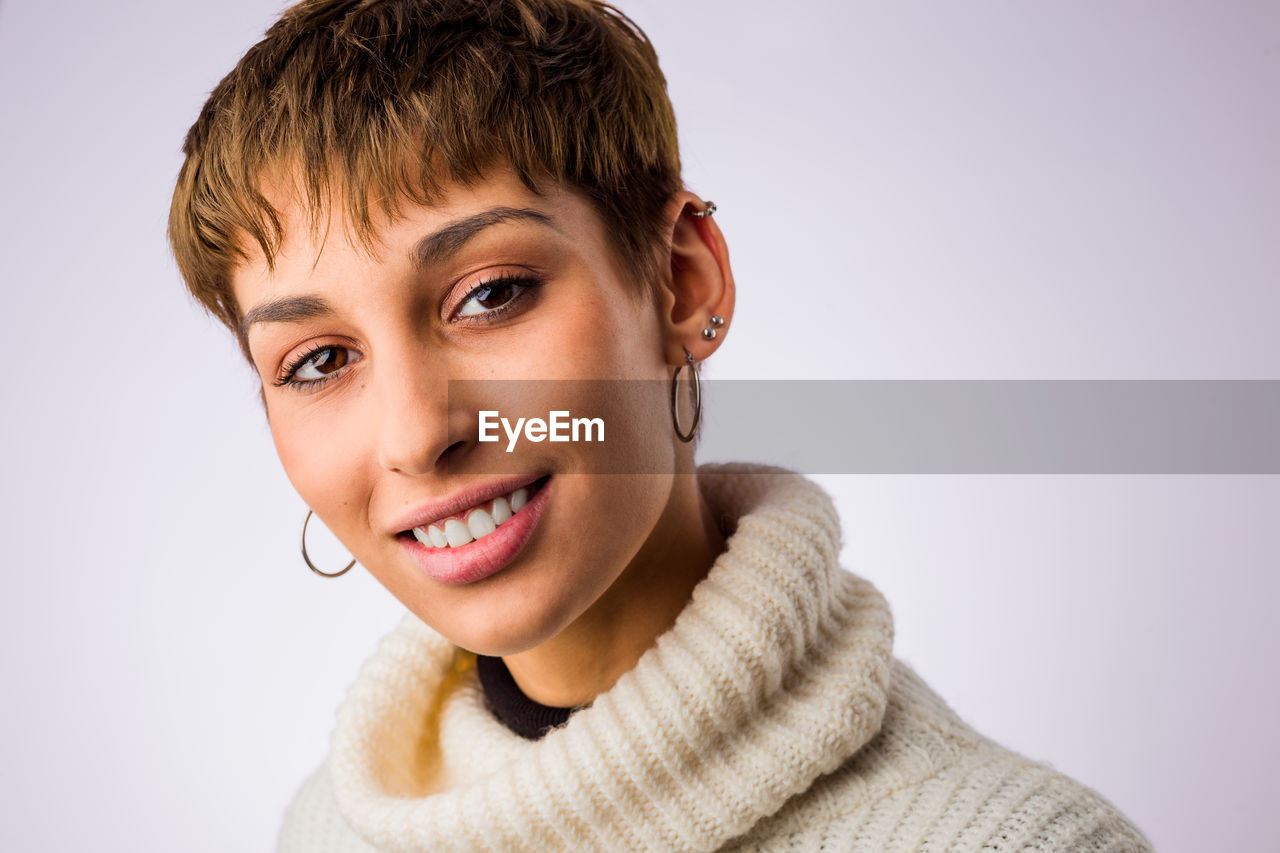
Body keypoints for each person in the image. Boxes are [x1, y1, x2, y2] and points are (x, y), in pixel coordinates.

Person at [168, 0, 1154, 849]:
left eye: (490, 294)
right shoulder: (329, 830)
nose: (415, 434)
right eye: (320, 362)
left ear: (681, 281)